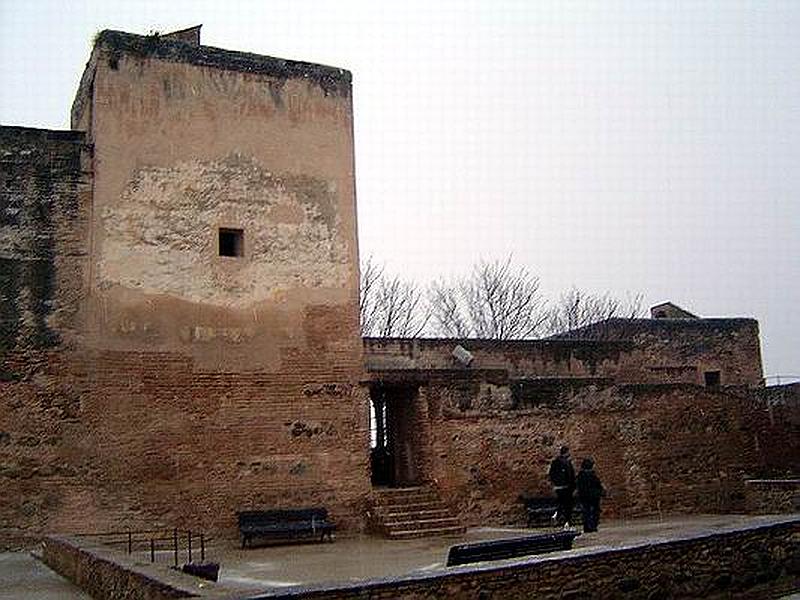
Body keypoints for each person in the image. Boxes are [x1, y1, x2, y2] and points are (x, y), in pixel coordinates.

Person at [548, 446, 576, 529]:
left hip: (557, 487)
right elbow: (570, 475)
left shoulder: (555, 462)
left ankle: (556, 514)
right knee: (567, 506)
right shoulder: (567, 463)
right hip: (566, 487)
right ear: (566, 452)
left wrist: (554, 483)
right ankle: (567, 522)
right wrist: (572, 486)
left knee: (560, 503)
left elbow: (551, 474)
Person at [576, 457, 604, 533]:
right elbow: (597, 485)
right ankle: (593, 526)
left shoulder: (580, 475)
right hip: (593, 496)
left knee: (586, 512)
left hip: (584, 496)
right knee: (594, 512)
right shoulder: (592, 475)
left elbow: (579, 486)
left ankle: (587, 526)